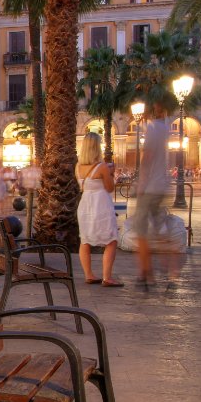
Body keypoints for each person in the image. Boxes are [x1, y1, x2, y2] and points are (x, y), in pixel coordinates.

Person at [76, 133, 122, 287]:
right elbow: (109, 188)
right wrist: (111, 173)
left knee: (85, 240)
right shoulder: (101, 167)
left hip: (85, 205)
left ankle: (89, 275)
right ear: (97, 148)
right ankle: (107, 277)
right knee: (111, 240)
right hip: (100, 205)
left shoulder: (78, 166)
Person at [133, 116, 170, 291]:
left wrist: (141, 183)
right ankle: (169, 270)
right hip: (161, 187)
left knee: (140, 230)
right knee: (159, 227)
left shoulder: (152, 129)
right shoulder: (165, 127)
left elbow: (147, 157)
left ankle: (147, 273)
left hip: (148, 188)